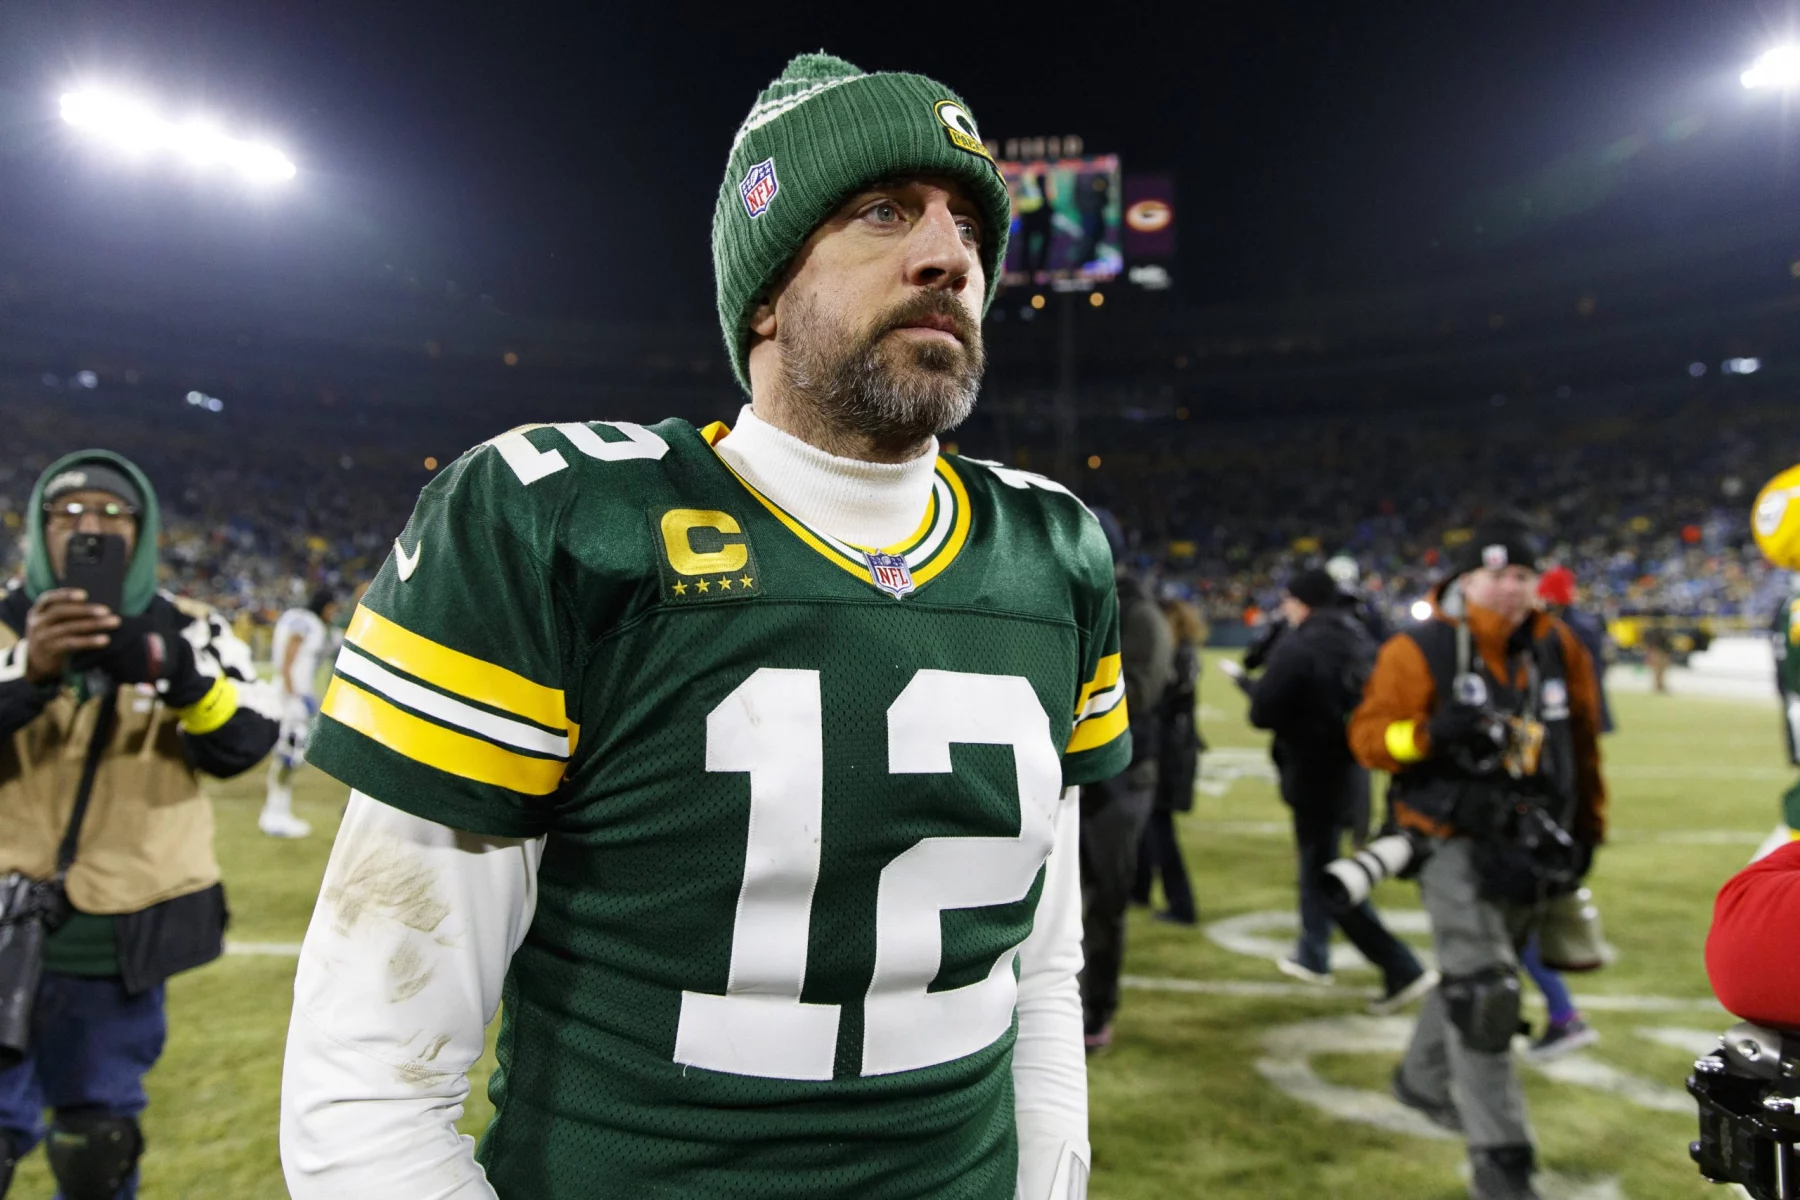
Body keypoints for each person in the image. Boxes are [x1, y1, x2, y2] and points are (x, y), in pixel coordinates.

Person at [281, 52, 1127, 1200]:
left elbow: (1042, 967)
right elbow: (372, 1073)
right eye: (883, 211)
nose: (950, 256)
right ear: (765, 292)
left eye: (970, 225)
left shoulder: (1054, 551)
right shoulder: (559, 519)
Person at [0, 451, 278, 1200]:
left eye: (111, 515)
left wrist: (175, 672)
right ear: (40, 526)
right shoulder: (2, 624)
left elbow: (247, 741)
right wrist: (31, 675)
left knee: (97, 1148)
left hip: (120, 932)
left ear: (143, 528)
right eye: (69, 514)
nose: (89, 527)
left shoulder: (191, 630)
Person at [1349, 518, 1606, 1200]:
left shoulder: (1558, 648)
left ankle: (1421, 1080)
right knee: (1485, 994)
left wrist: (1588, 828)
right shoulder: (1419, 647)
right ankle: (1503, 1164)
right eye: (1495, 574)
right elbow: (1370, 740)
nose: (1509, 587)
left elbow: (1580, 742)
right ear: (1463, 580)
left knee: (1476, 975)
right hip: (1446, 835)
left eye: (1521, 575)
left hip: (1531, 837)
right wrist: (1428, 735)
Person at [1240, 568, 1435, 1011]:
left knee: (1330, 877)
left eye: (1289, 601)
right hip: (1355, 768)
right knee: (1319, 865)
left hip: (1313, 769)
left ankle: (1400, 965)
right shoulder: (1361, 637)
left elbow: (1263, 711)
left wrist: (1255, 690)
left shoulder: (1301, 643)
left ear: (1302, 602)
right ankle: (1314, 953)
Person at [1078, 513, 1173, 1051]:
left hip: (1121, 778)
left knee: (1105, 903)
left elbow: (1135, 695)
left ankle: (1096, 1013)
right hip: (1081, 777)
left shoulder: (1139, 615)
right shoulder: (1088, 600)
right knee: (1060, 904)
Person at [1519, 565, 1609, 1060]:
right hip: (1548, 804)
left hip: (1540, 808)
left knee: (1505, 926)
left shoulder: (1553, 642)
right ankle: (1560, 1013)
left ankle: (1563, 1014)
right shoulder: (1555, 636)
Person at [1132, 597, 1204, 925]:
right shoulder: (1182, 652)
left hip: (1170, 752)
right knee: (1148, 824)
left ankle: (1182, 905)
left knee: (1161, 829)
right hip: (1170, 747)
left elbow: (1167, 697)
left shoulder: (1181, 654)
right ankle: (1140, 889)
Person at [260, 589, 340, 839]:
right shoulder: (308, 622)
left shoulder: (297, 617)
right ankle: (275, 813)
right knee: (290, 755)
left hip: (290, 693)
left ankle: (278, 811)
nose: (333, 613)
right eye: (332, 608)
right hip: (290, 696)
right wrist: (293, 693)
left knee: (290, 757)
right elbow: (290, 654)